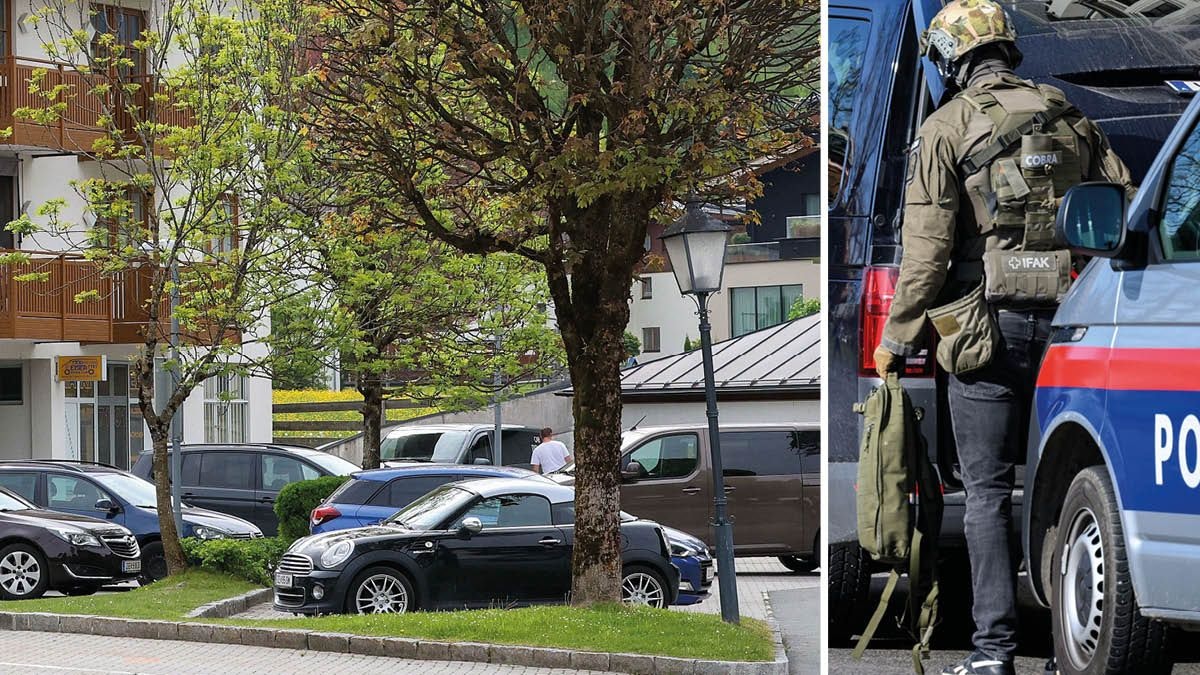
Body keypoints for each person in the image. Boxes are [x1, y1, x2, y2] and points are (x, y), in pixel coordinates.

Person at [871, 2, 1133, 673]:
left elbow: (926, 253)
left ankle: (993, 653)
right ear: (1005, 48)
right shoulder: (1069, 115)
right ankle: (1069, 647)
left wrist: (896, 339)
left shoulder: (944, 127)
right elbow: (1123, 206)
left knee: (986, 494)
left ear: (951, 59)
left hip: (984, 332)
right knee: (1070, 481)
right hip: (1073, 325)